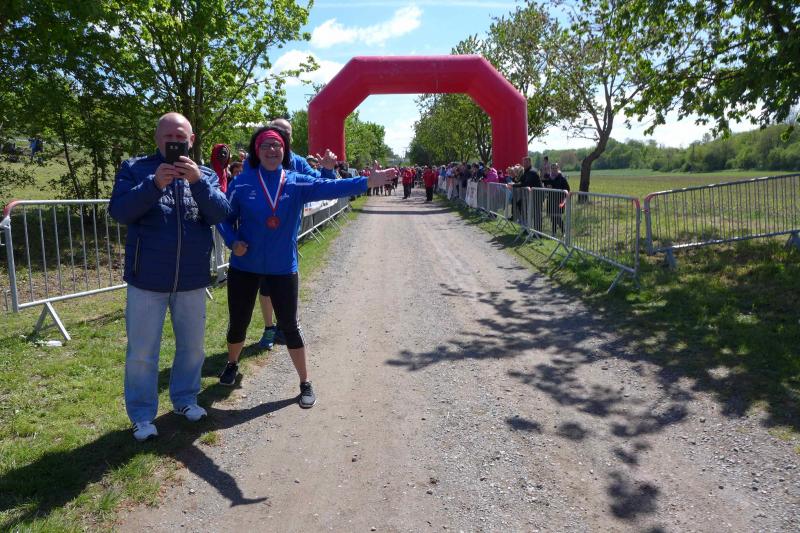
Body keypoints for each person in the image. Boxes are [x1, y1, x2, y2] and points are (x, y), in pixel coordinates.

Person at [216, 126, 395, 407]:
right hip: (245, 265)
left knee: (290, 326)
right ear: (256, 151)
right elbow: (223, 218)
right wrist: (232, 241)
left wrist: (366, 182)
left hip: (282, 267)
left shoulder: (295, 181)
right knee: (239, 321)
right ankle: (232, 363)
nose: (272, 150)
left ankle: (304, 382)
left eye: (277, 145)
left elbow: (331, 187)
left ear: (285, 150)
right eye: (266, 146)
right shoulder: (242, 182)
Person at [109, 112, 230, 441]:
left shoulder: (204, 174)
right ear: (157, 139)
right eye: (168, 136)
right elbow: (119, 211)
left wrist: (198, 183)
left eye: (181, 136)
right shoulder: (135, 169)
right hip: (147, 279)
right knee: (142, 354)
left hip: (191, 279)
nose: (175, 141)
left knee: (193, 349)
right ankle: (142, 416)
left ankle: (185, 399)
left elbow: (221, 213)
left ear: (191, 140)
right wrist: (153, 185)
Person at [254, 118, 338, 351]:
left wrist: (327, 170)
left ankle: (288, 324)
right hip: (262, 234)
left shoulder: (298, 162)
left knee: (288, 280)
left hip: (289, 233)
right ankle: (269, 328)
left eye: (287, 133)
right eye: (277, 131)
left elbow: (320, 184)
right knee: (265, 286)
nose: (282, 135)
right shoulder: (259, 157)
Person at [514, 157, 544, 233]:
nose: (525, 164)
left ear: (530, 162)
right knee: (526, 210)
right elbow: (520, 181)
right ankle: (527, 228)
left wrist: (514, 185)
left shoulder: (532, 171)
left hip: (537, 195)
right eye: (524, 163)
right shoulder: (526, 171)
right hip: (530, 196)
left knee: (537, 214)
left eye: (526, 162)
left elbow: (526, 183)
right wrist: (514, 181)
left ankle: (538, 233)